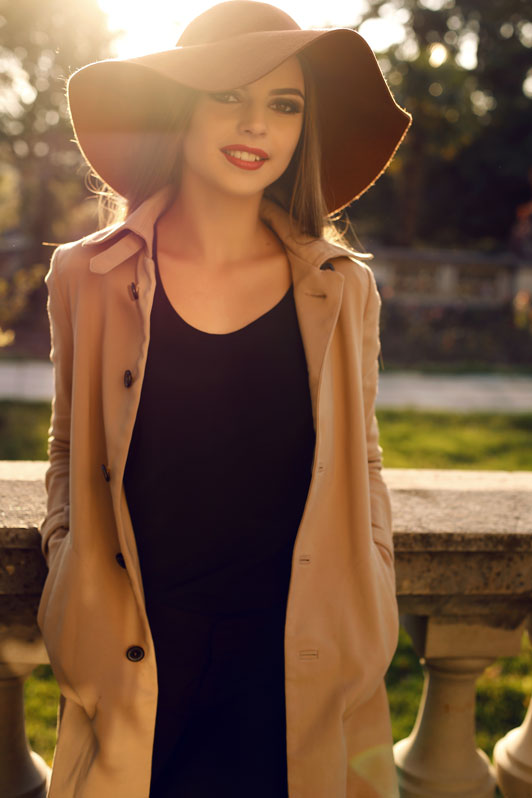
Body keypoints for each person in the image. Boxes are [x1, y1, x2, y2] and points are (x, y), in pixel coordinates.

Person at [38, 2, 411, 797]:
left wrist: (374, 581)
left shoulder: (343, 289)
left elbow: (363, 457)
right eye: (228, 95)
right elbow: (70, 447)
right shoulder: (85, 275)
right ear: (181, 103)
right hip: (138, 651)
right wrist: (68, 571)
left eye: (285, 104)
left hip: (294, 658)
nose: (257, 125)